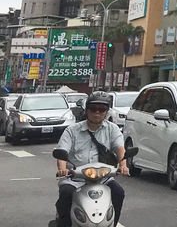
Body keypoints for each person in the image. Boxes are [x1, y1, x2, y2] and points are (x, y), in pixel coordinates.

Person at [53, 91, 128, 227]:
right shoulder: (72, 130)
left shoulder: (113, 129)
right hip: (75, 178)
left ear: (107, 112)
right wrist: (62, 169)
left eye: (102, 109)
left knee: (118, 193)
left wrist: (123, 165)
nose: (97, 113)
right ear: (87, 110)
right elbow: (62, 151)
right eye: (93, 109)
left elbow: (120, 149)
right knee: (65, 194)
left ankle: (113, 223)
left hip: (103, 178)